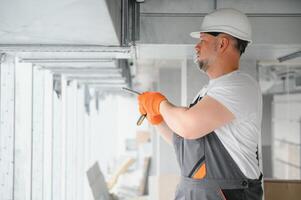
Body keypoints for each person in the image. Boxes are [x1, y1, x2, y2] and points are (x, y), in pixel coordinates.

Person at [138, 8, 263, 200]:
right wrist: (156, 119)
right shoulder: (207, 92)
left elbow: (188, 126)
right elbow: (182, 140)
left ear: (222, 43)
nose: (196, 47)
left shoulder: (239, 86)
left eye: (202, 40)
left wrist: (158, 103)